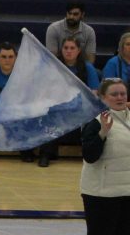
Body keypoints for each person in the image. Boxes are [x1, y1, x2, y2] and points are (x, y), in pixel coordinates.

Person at [54, 78, 130, 235]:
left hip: (127, 193)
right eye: (114, 94)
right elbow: (90, 156)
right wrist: (103, 133)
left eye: (122, 93)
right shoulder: (95, 122)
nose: (119, 97)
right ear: (103, 98)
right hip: (100, 195)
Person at [38, 36, 102, 167]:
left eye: (72, 48)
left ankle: (89, 154)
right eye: (66, 48)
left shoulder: (88, 68)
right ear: (61, 50)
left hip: (80, 109)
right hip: (58, 108)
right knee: (47, 116)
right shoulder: (54, 67)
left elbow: (94, 93)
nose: (68, 51)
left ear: (78, 50)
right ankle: (45, 155)